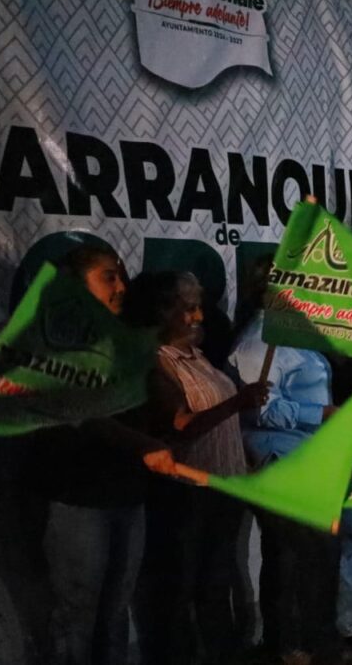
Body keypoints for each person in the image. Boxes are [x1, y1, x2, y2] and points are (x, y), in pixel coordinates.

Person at [38, 245, 177, 665]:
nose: (121, 286)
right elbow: (83, 415)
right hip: (79, 498)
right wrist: (143, 445)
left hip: (127, 494)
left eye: (121, 276)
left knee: (116, 612)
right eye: (108, 277)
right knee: (78, 616)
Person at [124, 271, 268, 665]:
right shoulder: (156, 362)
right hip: (186, 495)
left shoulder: (196, 356)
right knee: (182, 588)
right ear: (161, 311)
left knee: (216, 584)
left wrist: (244, 453)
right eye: (189, 308)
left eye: (199, 306)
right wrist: (237, 402)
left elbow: (220, 421)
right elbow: (180, 424)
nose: (199, 316)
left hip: (222, 490)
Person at [227, 305, 352, 661]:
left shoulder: (295, 334)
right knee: (312, 558)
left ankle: (291, 645)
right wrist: (322, 414)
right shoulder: (260, 341)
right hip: (279, 460)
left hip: (306, 460)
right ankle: (314, 648)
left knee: (294, 559)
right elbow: (259, 410)